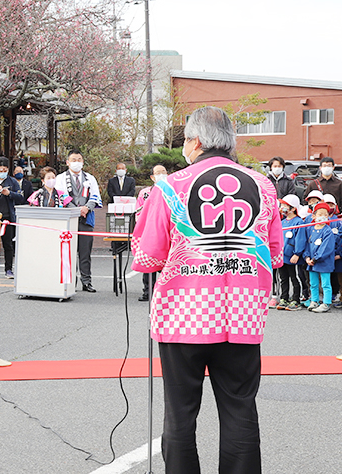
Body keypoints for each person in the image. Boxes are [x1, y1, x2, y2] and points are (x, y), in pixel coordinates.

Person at [131, 106, 282, 473]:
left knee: (180, 415)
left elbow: (148, 258)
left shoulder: (169, 187)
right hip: (243, 313)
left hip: (185, 314)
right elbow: (274, 254)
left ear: (195, 142)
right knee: (240, 411)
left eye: (185, 139)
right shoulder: (263, 185)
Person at [54, 151, 103, 292]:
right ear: (67, 162)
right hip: (68, 219)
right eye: (73, 159)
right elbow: (60, 195)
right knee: (68, 252)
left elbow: (95, 196)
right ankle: (70, 282)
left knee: (85, 252)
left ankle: (86, 281)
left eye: (79, 159)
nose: (77, 162)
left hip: (86, 218)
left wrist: (87, 208)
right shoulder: (61, 178)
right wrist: (75, 209)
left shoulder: (90, 178)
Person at [298, 201, 339, 312]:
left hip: (323, 262)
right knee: (313, 283)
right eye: (320, 214)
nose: (323, 217)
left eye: (325, 214)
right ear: (314, 216)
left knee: (325, 283)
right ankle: (314, 300)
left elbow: (326, 248)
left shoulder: (328, 231)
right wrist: (307, 258)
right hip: (311, 261)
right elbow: (306, 244)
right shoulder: (310, 229)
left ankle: (326, 303)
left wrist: (316, 258)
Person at [275, 194, 305, 311]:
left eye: (285, 206)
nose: (282, 208)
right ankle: (284, 297)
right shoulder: (282, 222)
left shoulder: (298, 222)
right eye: (281, 205)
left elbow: (300, 239)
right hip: (282, 255)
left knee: (294, 277)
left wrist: (297, 253)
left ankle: (296, 299)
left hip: (293, 256)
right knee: (283, 278)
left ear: (293, 208)